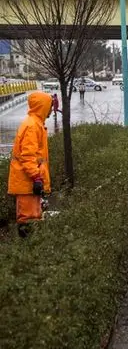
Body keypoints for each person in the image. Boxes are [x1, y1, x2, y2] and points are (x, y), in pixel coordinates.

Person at [7, 91, 53, 239]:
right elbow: (28, 156)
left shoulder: (35, 124)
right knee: (28, 220)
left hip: (29, 182)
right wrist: (36, 178)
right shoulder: (33, 126)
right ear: (42, 106)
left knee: (31, 218)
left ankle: (29, 252)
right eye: (50, 106)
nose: (51, 109)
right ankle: (27, 253)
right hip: (28, 183)